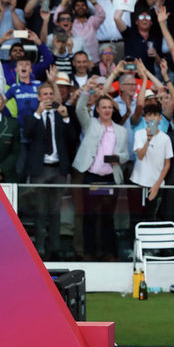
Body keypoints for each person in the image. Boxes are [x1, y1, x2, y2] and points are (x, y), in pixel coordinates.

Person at [71, 87, 129, 260]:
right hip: (91, 177)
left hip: (110, 178)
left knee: (107, 217)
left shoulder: (121, 131)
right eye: (103, 107)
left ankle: (108, 253)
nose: (107, 110)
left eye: (109, 107)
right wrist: (86, 91)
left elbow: (126, 155)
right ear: (97, 110)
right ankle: (89, 252)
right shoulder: (90, 124)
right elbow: (79, 109)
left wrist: (118, 158)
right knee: (89, 216)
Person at [21, 82, 73, 259]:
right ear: (39, 97)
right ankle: (40, 248)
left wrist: (66, 118)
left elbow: (72, 139)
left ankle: (55, 248)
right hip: (40, 169)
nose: (49, 97)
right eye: (45, 94)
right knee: (40, 210)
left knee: (55, 210)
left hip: (58, 169)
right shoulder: (31, 116)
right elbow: (27, 135)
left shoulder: (61, 115)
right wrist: (38, 113)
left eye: (51, 94)